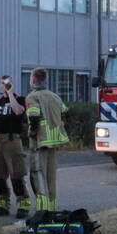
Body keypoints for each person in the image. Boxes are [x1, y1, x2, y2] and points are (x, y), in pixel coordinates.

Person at [25, 67, 69, 211]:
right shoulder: (55, 96)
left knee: (38, 175)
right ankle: (52, 208)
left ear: (33, 80)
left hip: (40, 141)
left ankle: (43, 211)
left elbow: (33, 117)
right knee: (51, 177)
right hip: (53, 141)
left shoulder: (32, 97)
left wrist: (32, 133)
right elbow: (64, 113)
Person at [0, 75, 31, 219]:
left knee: (16, 173)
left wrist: (11, 94)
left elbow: (18, 111)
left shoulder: (19, 99)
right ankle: (2, 204)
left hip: (12, 139)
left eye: (7, 83)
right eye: (2, 83)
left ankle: (22, 205)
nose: (4, 86)